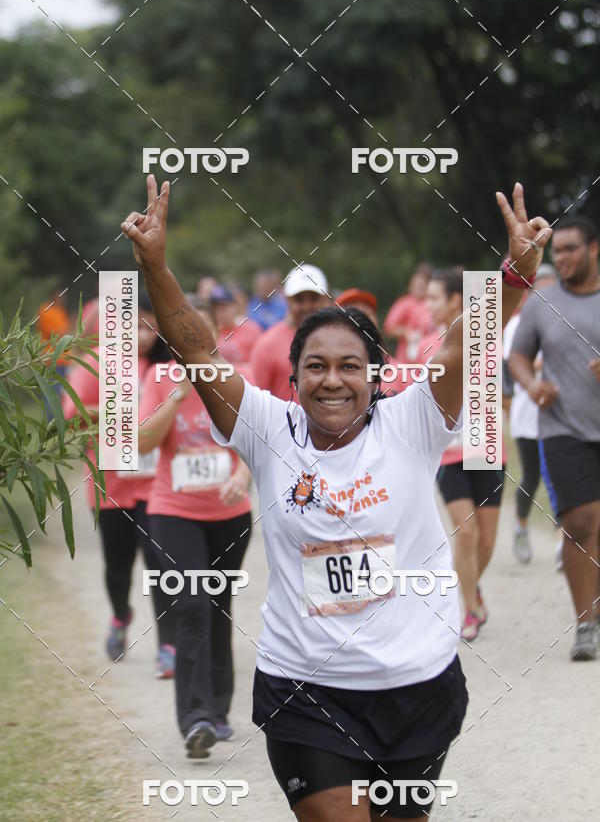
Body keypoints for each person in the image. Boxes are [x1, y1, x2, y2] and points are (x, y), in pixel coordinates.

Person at [121, 175, 550, 818]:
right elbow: (194, 345)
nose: (332, 380)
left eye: (350, 365)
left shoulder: (414, 422)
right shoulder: (267, 427)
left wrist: (514, 274)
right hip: (305, 689)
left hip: (418, 684)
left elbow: (465, 344)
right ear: (292, 377)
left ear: (375, 376)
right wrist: (154, 263)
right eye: (315, 366)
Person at [138, 295, 252, 755]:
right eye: (184, 331)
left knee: (218, 605)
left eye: (199, 332)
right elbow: (143, 437)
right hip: (173, 512)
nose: (193, 339)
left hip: (229, 515)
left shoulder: (233, 377)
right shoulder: (158, 376)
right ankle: (196, 719)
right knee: (190, 605)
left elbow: (256, 439)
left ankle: (219, 710)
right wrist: (181, 392)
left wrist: (243, 474)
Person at [63, 294, 176, 677]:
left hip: (159, 484)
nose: (144, 335)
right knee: (118, 566)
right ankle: (120, 616)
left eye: (150, 326)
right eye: (136, 326)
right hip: (110, 485)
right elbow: (72, 416)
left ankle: (169, 645)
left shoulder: (167, 367)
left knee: (161, 564)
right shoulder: (97, 364)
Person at [509, 216, 600, 661]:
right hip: (562, 426)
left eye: (570, 249)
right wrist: (530, 385)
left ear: (594, 249)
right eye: (557, 250)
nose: (561, 257)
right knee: (581, 522)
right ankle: (586, 625)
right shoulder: (541, 303)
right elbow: (518, 355)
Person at [421, 270, 506, 642]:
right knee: (466, 533)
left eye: (434, 298)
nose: (427, 306)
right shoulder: (424, 344)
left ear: (456, 300)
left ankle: (472, 588)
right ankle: (468, 607)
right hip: (447, 452)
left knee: (486, 540)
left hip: (486, 445)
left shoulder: (487, 335)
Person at [502, 265, 556, 563]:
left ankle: (565, 540)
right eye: (540, 291)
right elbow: (514, 363)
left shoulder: (567, 322)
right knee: (532, 476)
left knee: (564, 477)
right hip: (527, 415)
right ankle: (521, 525)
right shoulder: (516, 326)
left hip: (563, 414)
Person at [250, 264, 330, 399]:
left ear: (325, 299)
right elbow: (257, 401)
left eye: (313, 298)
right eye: (299, 300)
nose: (307, 306)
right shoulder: (268, 344)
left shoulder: (340, 339)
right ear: (287, 300)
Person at [384, 263, 435, 364]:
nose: (418, 288)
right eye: (416, 284)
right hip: (408, 360)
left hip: (430, 357)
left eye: (421, 285)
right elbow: (389, 327)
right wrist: (408, 333)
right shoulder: (405, 303)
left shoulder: (432, 302)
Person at [211, 284, 262, 377]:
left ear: (235, 306)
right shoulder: (209, 333)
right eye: (216, 308)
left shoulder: (251, 330)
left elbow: (260, 363)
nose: (220, 312)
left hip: (247, 382)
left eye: (224, 307)